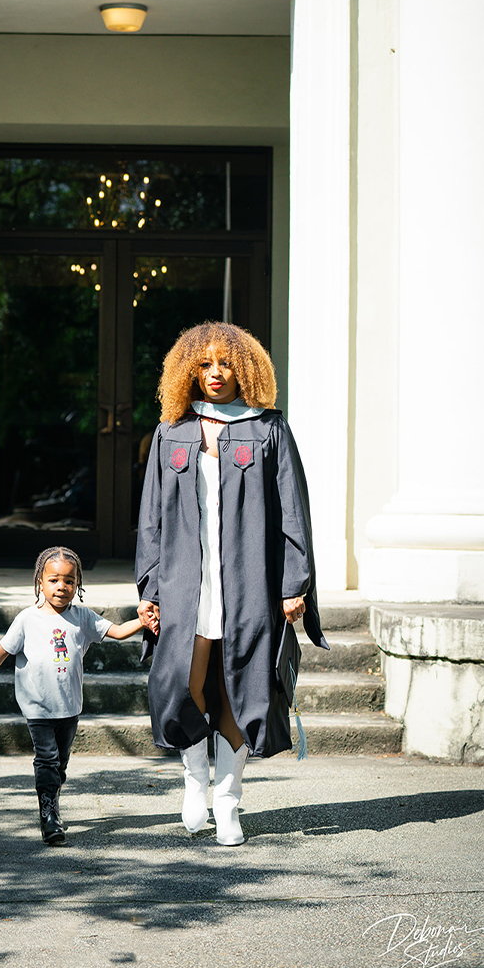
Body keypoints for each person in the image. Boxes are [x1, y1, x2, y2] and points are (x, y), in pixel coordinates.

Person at [135, 322, 329, 846]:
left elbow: (294, 514)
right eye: (203, 365)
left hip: (250, 581)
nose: (215, 374)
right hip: (184, 582)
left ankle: (228, 801)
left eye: (225, 364)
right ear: (188, 371)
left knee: (241, 690)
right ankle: (195, 775)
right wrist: (149, 588)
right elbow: (151, 516)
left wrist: (295, 584)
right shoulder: (171, 430)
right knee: (178, 683)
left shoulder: (268, 429)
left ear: (244, 368)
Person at [0, 545, 150, 846]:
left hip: (69, 706)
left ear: (77, 585)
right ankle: (49, 817)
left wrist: (143, 622)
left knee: (60, 763)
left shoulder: (82, 617)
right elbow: (2, 650)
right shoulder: (28, 619)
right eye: (54, 580)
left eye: (69, 581)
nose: (61, 587)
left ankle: (50, 796)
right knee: (47, 758)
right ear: (40, 582)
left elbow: (117, 631)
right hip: (37, 706)